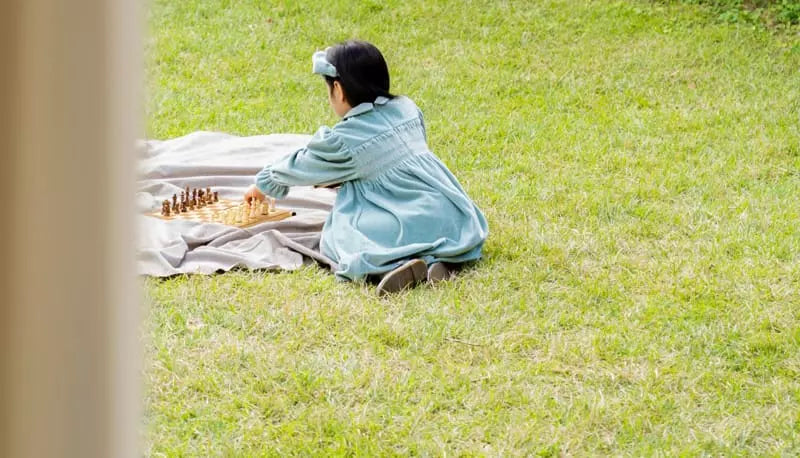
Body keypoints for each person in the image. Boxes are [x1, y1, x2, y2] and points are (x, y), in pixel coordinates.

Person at [244, 40, 488, 295]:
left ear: (337, 89)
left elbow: (301, 164)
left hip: (404, 221)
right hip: (448, 209)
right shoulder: (407, 108)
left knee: (341, 235)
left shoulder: (344, 140)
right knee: (435, 228)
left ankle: (393, 266)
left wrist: (263, 183)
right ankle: (442, 261)